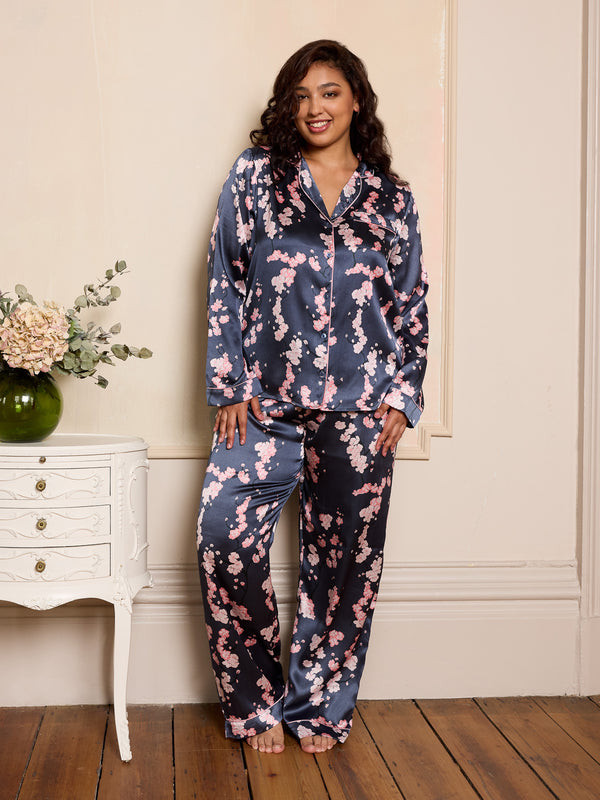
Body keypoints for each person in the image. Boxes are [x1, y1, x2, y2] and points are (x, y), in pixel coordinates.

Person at [196, 39, 428, 755]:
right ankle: (255, 702)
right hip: (263, 404)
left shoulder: (391, 199)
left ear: (356, 98)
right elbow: (224, 280)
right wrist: (228, 382)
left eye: (328, 92)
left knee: (346, 568)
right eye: (299, 95)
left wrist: (403, 396)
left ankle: (320, 710)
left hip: (361, 413)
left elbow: (412, 303)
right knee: (224, 540)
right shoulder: (256, 177)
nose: (313, 108)